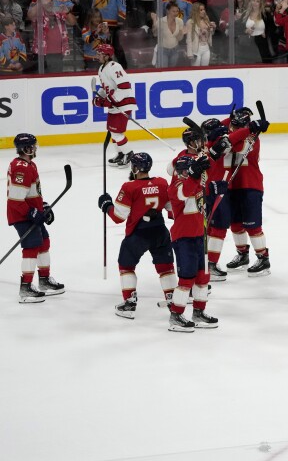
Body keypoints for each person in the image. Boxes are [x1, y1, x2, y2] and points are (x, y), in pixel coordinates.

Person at [97, 153, 176, 320]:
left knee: (126, 265)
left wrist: (106, 205)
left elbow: (118, 217)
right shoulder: (162, 183)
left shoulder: (129, 187)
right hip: (160, 231)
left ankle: (129, 303)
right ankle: (172, 300)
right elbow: (171, 208)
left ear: (134, 168)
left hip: (139, 234)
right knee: (166, 267)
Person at [6, 133, 64, 303]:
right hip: (21, 214)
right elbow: (16, 199)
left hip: (30, 211)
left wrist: (43, 207)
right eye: (32, 146)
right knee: (31, 247)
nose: (35, 148)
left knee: (44, 241)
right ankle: (26, 287)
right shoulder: (21, 167)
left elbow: (32, 193)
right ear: (25, 148)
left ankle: (44, 280)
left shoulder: (30, 164)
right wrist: (32, 213)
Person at [166, 155, 218, 332]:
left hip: (199, 236)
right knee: (187, 278)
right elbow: (184, 192)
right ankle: (176, 316)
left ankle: (198, 312)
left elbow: (204, 200)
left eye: (185, 171)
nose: (181, 174)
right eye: (179, 171)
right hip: (183, 238)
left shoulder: (197, 183)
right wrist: (194, 175)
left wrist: (217, 190)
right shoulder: (175, 186)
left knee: (203, 277)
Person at [224, 107, 271, 277]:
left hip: (250, 185)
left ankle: (263, 258)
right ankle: (242, 254)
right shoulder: (236, 132)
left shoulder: (252, 138)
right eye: (232, 124)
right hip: (232, 185)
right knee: (235, 224)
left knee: (252, 225)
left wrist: (249, 129)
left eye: (238, 125)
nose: (234, 128)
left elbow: (235, 146)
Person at [93, 44, 136, 168]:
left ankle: (129, 155)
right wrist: (99, 98)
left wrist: (111, 100)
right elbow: (104, 87)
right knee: (113, 132)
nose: (97, 56)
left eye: (100, 53)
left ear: (107, 56)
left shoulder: (115, 67)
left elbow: (125, 87)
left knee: (117, 133)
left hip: (124, 103)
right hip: (115, 104)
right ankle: (121, 154)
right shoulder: (101, 68)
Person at [201, 119, 233, 282]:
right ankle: (210, 265)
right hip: (216, 189)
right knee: (219, 227)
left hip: (205, 188)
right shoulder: (221, 143)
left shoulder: (204, 143)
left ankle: (206, 264)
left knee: (211, 228)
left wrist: (230, 119)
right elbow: (232, 142)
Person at [27, 0, 74, 73]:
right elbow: (30, 15)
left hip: (57, 52)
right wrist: (40, 3)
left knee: (56, 79)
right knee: (40, 81)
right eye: (46, 0)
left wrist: (67, 12)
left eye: (51, 0)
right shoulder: (38, 12)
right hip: (41, 53)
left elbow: (73, 22)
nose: (49, 1)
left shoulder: (59, 11)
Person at [150, 2, 186, 67]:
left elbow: (179, 38)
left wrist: (182, 32)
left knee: (171, 71)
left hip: (175, 50)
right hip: (163, 50)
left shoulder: (180, 21)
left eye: (177, 11)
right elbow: (155, 34)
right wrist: (154, 21)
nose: (176, 13)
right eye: (173, 11)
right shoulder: (161, 21)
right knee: (164, 71)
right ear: (168, 11)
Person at [185, 2, 215, 66]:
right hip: (196, 50)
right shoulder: (190, 22)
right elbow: (189, 39)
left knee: (205, 70)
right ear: (196, 11)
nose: (203, 11)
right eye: (201, 10)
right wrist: (189, 53)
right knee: (196, 71)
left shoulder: (206, 20)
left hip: (206, 48)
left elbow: (210, 35)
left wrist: (213, 28)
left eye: (204, 9)